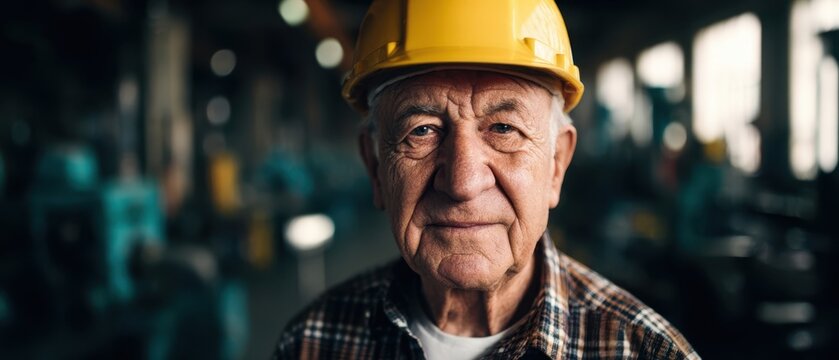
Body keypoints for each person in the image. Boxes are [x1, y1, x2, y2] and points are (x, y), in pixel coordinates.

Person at [274, 0, 699, 358]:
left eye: (503, 129)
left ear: (556, 164)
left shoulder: (646, 351)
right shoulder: (311, 344)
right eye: (421, 130)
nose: (462, 182)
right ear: (375, 169)